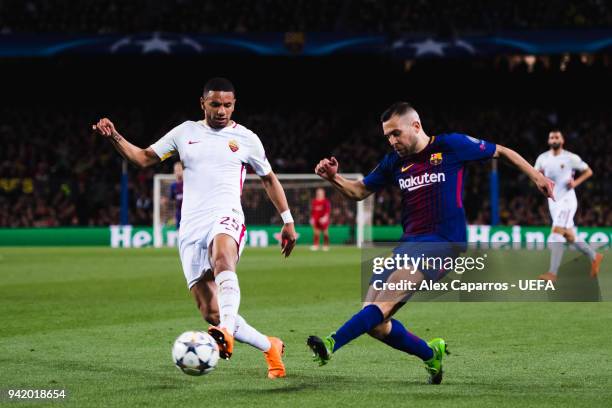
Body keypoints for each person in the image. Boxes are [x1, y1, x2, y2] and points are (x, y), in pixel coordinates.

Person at [307, 102, 554, 384]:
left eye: (396, 134)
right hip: (408, 244)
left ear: (416, 126)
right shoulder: (393, 162)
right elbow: (360, 191)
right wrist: (333, 178)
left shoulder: (451, 145)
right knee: (374, 322)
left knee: (383, 306)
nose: (392, 141)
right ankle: (430, 354)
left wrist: (537, 176)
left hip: (445, 242)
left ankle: (330, 344)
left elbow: (502, 151)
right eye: (387, 136)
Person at [93, 77, 297, 379]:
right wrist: (115, 137)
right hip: (190, 227)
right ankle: (269, 345)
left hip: (226, 215)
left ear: (234, 105)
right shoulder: (185, 132)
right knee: (210, 311)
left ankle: (225, 332)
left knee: (223, 258)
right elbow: (143, 158)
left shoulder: (247, 138)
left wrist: (288, 220)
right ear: (203, 103)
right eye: (215, 104)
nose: (221, 110)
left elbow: (269, 178)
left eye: (227, 105)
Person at [534, 130, 603, 282]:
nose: (554, 139)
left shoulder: (571, 157)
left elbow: (588, 171)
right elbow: (535, 175)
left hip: (567, 200)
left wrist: (575, 183)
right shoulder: (542, 158)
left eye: (557, 137)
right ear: (548, 140)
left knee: (557, 232)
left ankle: (552, 273)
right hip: (553, 202)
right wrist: (541, 186)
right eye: (551, 137)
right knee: (569, 235)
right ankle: (595, 256)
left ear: (562, 140)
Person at [169, 161, 183, 229]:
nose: (178, 172)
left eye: (180, 170)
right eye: (176, 170)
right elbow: (172, 201)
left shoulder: (188, 184)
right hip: (178, 213)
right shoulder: (173, 186)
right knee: (179, 231)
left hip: (188, 212)